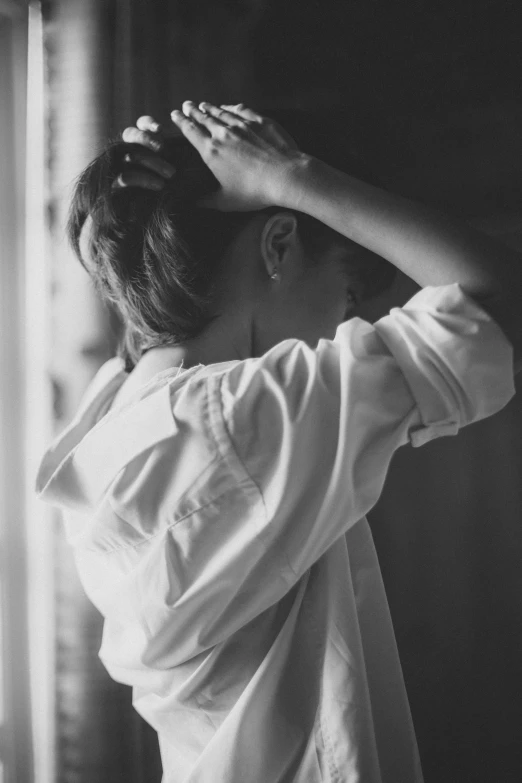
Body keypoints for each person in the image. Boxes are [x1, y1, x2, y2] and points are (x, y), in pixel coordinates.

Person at [36, 102, 520, 783]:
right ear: (278, 244)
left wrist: (125, 231)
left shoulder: (114, 414)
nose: (341, 323)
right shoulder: (249, 418)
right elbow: (503, 301)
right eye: (348, 294)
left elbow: (151, 338)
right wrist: (295, 176)